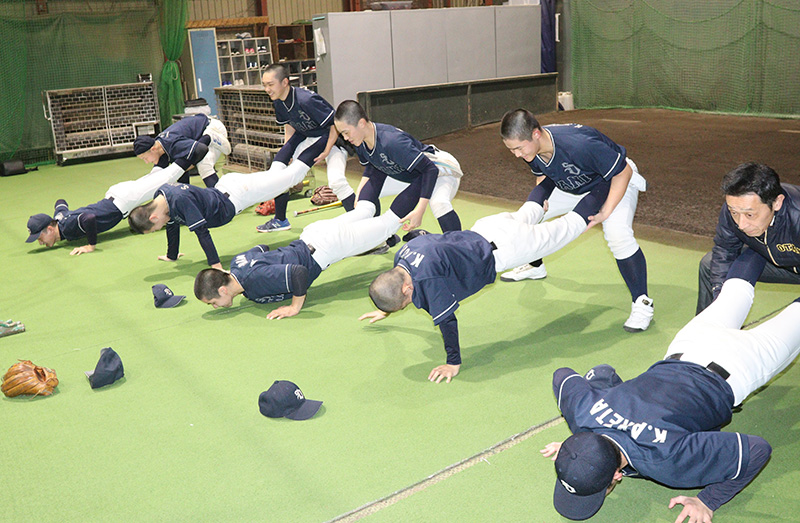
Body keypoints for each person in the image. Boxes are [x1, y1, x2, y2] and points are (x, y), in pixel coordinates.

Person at [541, 249, 798, 522]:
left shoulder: (666, 462)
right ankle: (764, 237)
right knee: (738, 288)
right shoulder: (582, 412)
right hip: (690, 342)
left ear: (616, 476)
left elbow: (757, 449)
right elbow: (578, 374)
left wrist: (708, 500)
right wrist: (580, 443)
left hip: (740, 365)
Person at [361, 184, 609, 383]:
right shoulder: (402, 256)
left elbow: (447, 322)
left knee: (568, 227)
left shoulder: (427, 280)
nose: (409, 303)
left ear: (406, 289)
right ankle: (552, 175)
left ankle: (609, 178)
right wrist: (386, 306)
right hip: (488, 226)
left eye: (405, 302)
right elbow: (419, 237)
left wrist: (453, 362)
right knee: (530, 211)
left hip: (508, 248)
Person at [499, 109, 653, 332]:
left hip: (615, 179)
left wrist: (606, 211)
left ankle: (642, 303)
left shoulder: (579, 144)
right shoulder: (531, 150)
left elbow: (623, 172)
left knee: (617, 234)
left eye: (518, 148)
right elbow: (542, 173)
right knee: (533, 218)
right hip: (576, 184)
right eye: (511, 149)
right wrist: (542, 203)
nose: (516, 154)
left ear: (535, 134)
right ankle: (535, 266)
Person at [193, 210, 401, 318]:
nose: (215, 306)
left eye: (212, 302)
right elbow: (262, 248)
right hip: (313, 234)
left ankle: (428, 175)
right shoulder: (238, 265)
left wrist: (294, 307)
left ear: (222, 290)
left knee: (392, 222)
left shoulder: (253, 282)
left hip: (326, 246)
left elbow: (298, 274)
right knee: (367, 209)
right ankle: (383, 240)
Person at [127, 164, 307, 269]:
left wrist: (215, 265)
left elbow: (202, 232)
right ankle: (301, 141)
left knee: (292, 177)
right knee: (279, 175)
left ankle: (323, 138)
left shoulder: (180, 200)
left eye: (154, 230)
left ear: (153, 219)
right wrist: (171, 255)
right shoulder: (162, 196)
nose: (159, 229)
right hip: (228, 187)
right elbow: (173, 224)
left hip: (240, 195)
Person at [333, 100, 463, 235]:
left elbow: (430, 170)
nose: (345, 138)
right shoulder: (360, 141)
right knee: (364, 202)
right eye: (342, 134)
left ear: (361, 123)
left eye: (346, 132)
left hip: (439, 168)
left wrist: (420, 210)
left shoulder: (392, 142)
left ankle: (459, 247)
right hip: (410, 173)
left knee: (439, 204)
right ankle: (381, 241)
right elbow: (372, 166)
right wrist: (360, 191)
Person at [696, 162, 800, 314]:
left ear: (777, 203)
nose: (741, 224)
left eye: (750, 215)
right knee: (709, 264)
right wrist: (721, 303)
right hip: (775, 258)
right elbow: (725, 250)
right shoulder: (736, 207)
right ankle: (708, 329)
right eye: (734, 213)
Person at [256, 64, 346, 232]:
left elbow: (335, 124)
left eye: (270, 84)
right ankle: (280, 220)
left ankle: (358, 222)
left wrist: (326, 151)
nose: (267, 89)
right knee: (276, 171)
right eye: (264, 85)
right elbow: (289, 125)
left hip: (324, 135)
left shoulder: (306, 99)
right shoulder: (278, 102)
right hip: (303, 134)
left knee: (297, 173)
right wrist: (287, 150)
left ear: (284, 82)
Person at [25, 162, 186, 254]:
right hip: (117, 195)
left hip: (124, 200)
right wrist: (57, 214)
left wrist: (90, 245)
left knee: (169, 176)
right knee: (155, 177)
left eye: (40, 238)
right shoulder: (60, 219)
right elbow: (60, 203)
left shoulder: (67, 226)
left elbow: (88, 218)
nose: (40, 243)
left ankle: (200, 145)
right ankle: (163, 160)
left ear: (50, 229)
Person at [133, 113, 230, 188]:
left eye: (145, 158)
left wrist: (185, 167)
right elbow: (156, 175)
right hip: (197, 134)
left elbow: (201, 149)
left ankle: (223, 200)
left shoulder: (172, 143)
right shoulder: (160, 148)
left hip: (211, 128)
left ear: (153, 149)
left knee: (203, 165)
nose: (146, 162)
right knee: (180, 165)